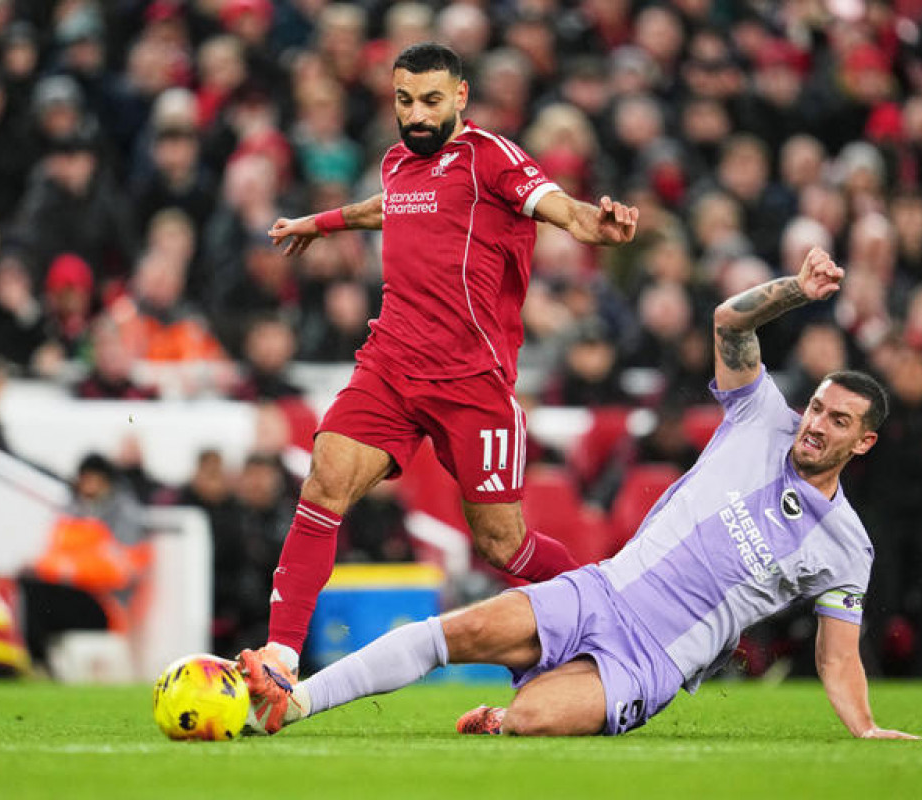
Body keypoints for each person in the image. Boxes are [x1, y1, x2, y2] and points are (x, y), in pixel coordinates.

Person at [236, 247, 919, 741]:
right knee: (458, 631)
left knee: (533, 720)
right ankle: (292, 703)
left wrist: (865, 727)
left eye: (838, 421)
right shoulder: (761, 416)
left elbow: (836, 656)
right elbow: (729, 323)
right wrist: (795, 289)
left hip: (652, 660)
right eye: (817, 407)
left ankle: (506, 715)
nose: (816, 424)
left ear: (863, 442)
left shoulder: (846, 546)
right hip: (602, 590)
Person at [259, 43, 639, 673]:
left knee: (504, 546)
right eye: (404, 100)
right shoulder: (396, 163)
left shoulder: (492, 157)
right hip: (390, 365)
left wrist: (595, 226)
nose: (416, 115)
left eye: (431, 101)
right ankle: (279, 660)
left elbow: (560, 207)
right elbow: (388, 207)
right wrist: (318, 223)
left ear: (460, 96)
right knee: (324, 484)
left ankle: (618, 616)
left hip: (472, 380)